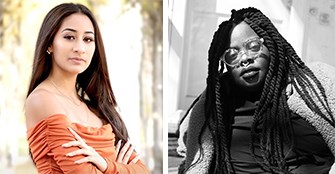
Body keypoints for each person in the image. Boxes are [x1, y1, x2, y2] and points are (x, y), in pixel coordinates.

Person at [177, 7, 335, 174]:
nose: (245, 59)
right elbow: (190, 152)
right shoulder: (215, 101)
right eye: (232, 54)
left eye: (253, 46)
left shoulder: (314, 83)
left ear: (270, 44)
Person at [24, 3, 150, 173]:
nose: (80, 48)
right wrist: (119, 168)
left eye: (88, 39)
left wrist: (106, 165)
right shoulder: (42, 99)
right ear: (49, 44)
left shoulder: (98, 108)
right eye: (69, 37)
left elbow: (143, 170)